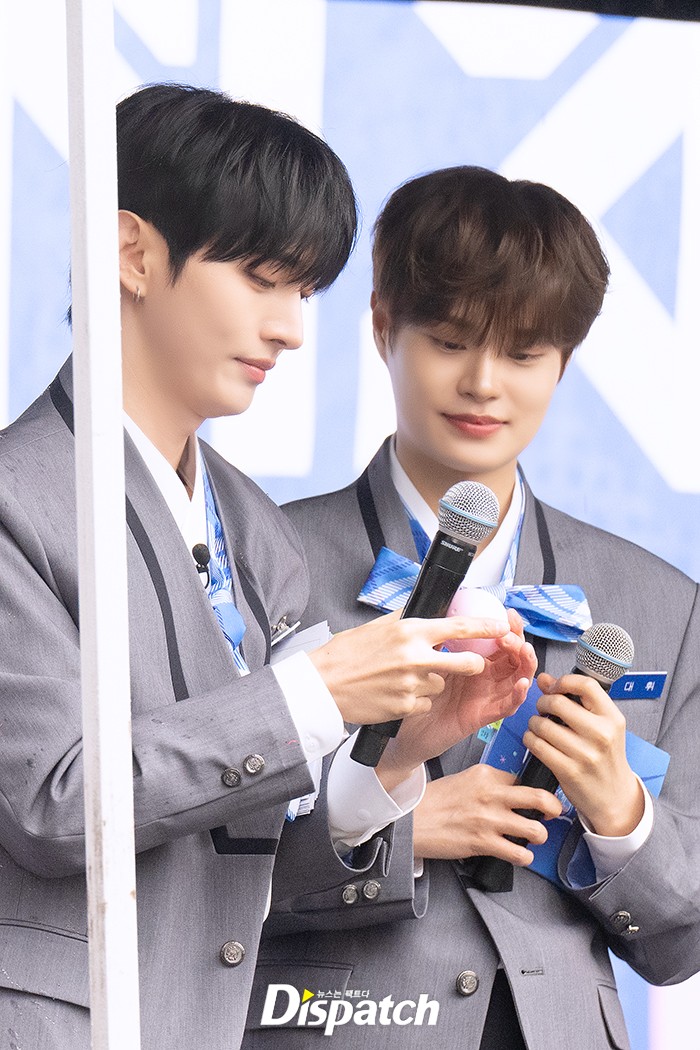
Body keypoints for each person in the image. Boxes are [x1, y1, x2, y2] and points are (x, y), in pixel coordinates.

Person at [0, 94, 533, 1050]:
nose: (290, 329)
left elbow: (254, 868)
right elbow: (51, 806)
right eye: (261, 279)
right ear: (132, 252)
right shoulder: (16, 499)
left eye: (306, 292)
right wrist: (316, 692)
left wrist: (398, 753)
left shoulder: (252, 522)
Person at [247, 166, 700, 1049]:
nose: (484, 383)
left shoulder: (660, 603)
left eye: (524, 354)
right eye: (451, 341)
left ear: (564, 361)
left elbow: (680, 943)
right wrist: (402, 833)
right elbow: (181, 880)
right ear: (383, 326)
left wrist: (621, 815)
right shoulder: (266, 560)